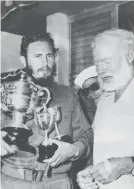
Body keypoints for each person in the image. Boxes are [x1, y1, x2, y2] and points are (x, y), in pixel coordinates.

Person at [1, 32, 93, 189]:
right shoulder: (7, 93)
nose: (45, 62)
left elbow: (86, 136)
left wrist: (74, 149)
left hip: (58, 183)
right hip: (12, 181)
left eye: (49, 56)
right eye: (37, 56)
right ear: (24, 59)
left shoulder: (69, 95)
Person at [77, 28, 134, 189]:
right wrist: (89, 174)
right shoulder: (106, 96)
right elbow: (103, 147)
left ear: (129, 56)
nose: (100, 70)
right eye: (97, 64)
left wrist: (129, 165)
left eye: (107, 61)